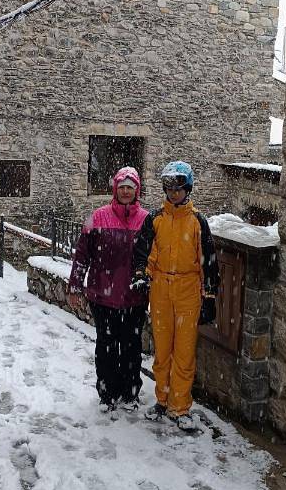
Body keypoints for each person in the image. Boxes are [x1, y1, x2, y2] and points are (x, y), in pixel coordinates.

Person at [131, 161, 219, 432]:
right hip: (160, 290)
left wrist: (210, 296)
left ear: (187, 188)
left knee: (184, 352)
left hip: (188, 290)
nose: (174, 192)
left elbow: (209, 262)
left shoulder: (197, 222)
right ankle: (162, 398)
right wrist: (140, 274)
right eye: (169, 187)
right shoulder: (155, 218)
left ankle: (179, 406)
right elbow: (143, 251)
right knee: (162, 350)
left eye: (179, 187)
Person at [69, 166, 149, 414]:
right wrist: (75, 285)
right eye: (122, 187)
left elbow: (154, 257)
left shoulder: (147, 220)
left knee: (131, 346)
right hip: (102, 295)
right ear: (115, 189)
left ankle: (130, 392)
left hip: (134, 296)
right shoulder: (98, 217)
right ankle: (107, 393)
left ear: (137, 191)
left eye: (130, 188)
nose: (126, 192)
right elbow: (82, 254)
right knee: (106, 345)